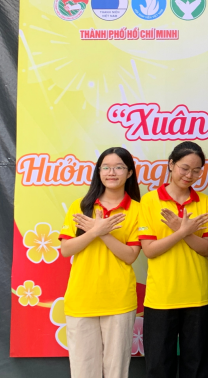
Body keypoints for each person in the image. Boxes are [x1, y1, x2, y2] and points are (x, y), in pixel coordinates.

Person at [59, 147, 143, 378]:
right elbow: (66, 249)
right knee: (83, 370)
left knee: (116, 370)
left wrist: (101, 232)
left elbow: (130, 255)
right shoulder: (81, 206)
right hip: (81, 298)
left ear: (129, 173)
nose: (111, 172)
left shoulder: (138, 210)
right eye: (105, 167)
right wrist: (95, 232)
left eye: (118, 167)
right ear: (98, 172)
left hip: (118, 299)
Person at [138, 141, 208, 378]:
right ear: (171, 164)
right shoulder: (150, 201)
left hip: (197, 296)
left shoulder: (205, 202)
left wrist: (184, 231)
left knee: (197, 365)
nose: (189, 175)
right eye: (184, 168)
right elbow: (150, 250)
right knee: (159, 366)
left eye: (196, 170)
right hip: (161, 297)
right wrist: (182, 231)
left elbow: (207, 249)